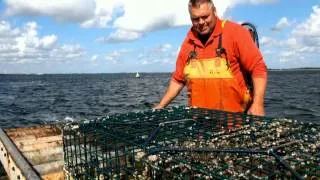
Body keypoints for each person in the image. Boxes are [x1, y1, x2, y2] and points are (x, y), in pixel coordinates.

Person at [154, 0, 267, 116]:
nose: (201, 22)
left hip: (236, 120)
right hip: (199, 122)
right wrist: (161, 105)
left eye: (205, 16)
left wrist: (257, 104)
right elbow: (178, 80)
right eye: (195, 19)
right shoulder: (188, 43)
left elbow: (258, 67)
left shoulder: (235, 32)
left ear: (214, 11)